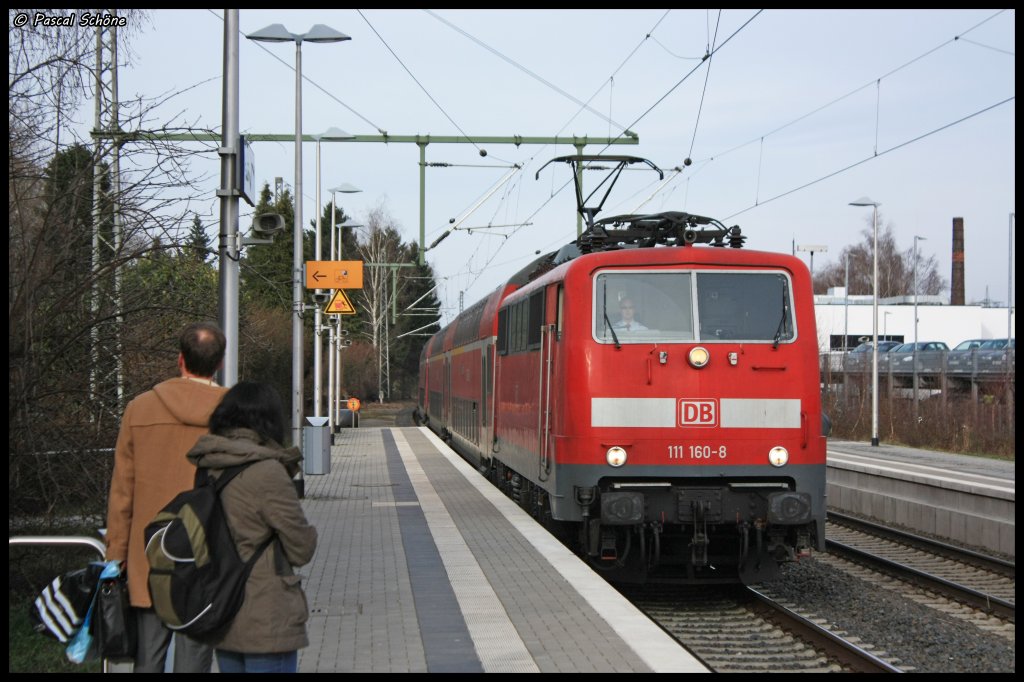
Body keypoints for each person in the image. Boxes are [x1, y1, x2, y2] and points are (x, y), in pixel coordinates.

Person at [105, 321, 227, 673]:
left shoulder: (139, 410)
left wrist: (117, 552)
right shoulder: (232, 413)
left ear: (180, 360)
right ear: (218, 364)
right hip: (206, 560)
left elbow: (122, 491)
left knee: (148, 660)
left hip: (148, 557)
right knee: (195, 661)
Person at [186, 381, 317, 674]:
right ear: (269, 421)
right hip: (265, 618)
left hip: (223, 610)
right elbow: (301, 549)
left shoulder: (209, 466)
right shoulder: (267, 471)